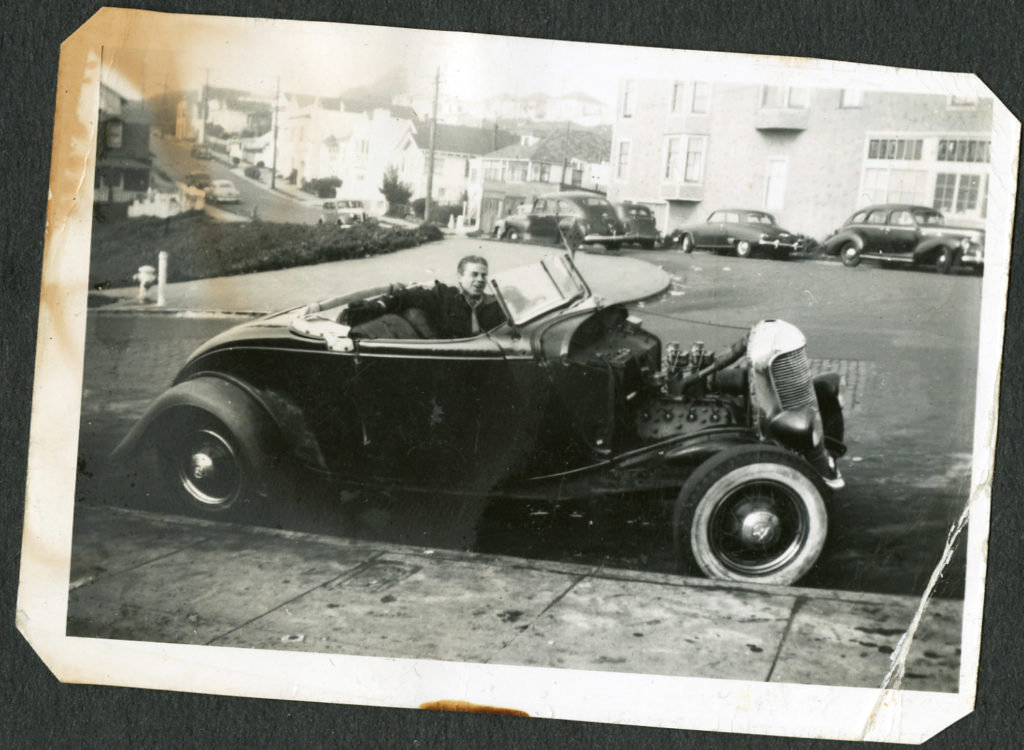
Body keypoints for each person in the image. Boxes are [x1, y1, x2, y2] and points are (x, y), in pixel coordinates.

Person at [340, 255, 504, 338]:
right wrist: (380, 305)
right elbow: (410, 296)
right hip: (453, 362)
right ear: (460, 277)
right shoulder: (445, 295)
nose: (480, 280)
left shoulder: (495, 304)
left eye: (484, 275)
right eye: (474, 275)